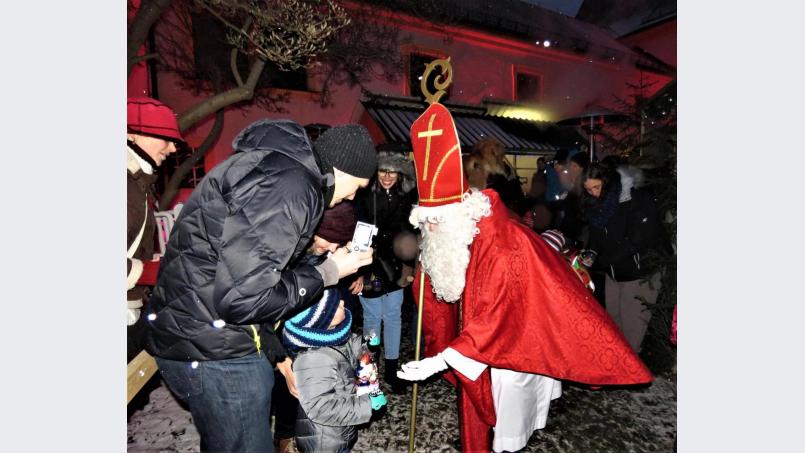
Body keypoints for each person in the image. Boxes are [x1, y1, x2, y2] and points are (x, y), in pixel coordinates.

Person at [397, 104, 653, 453]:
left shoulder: (503, 248)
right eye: (425, 223)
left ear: (459, 214)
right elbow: (444, 282)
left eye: (435, 222)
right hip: (481, 346)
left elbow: (496, 319)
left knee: (508, 425)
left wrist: (439, 360)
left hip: (517, 349)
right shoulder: (454, 234)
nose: (430, 230)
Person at [144, 121, 377, 453]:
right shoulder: (293, 186)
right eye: (357, 186)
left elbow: (248, 273)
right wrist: (330, 271)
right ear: (342, 168)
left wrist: (276, 354)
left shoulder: (277, 169)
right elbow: (244, 298)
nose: (353, 196)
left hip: (205, 339)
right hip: (217, 352)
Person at [267, 201, 363, 453]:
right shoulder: (285, 248)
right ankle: (286, 435)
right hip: (286, 320)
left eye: (339, 242)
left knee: (326, 374)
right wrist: (281, 359)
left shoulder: (325, 248)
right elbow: (262, 307)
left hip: (322, 312)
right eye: (329, 239)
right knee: (291, 383)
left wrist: (355, 269)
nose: (331, 247)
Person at [281, 289, 388, 452]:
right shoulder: (312, 359)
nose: (343, 303)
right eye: (336, 305)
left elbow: (350, 348)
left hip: (340, 427)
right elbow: (321, 407)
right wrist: (367, 405)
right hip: (324, 440)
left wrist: (367, 346)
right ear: (322, 319)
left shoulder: (334, 336)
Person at [581, 162, 663, 352]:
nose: (593, 193)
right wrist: (591, 253)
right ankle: (619, 372)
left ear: (607, 183)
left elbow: (639, 238)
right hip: (614, 273)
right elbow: (596, 236)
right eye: (588, 189)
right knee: (615, 329)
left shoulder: (633, 199)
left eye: (596, 187)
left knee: (631, 335)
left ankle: (630, 377)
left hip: (639, 273)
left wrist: (605, 260)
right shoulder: (596, 205)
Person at [355, 151, 417, 393]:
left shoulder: (406, 197)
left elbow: (410, 234)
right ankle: (370, 374)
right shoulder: (364, 196)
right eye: (383, 170)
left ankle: (391, 370)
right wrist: (358, 270)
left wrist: (409, 265)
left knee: (392, 318)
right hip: (371, 266)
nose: (388, 176)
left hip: (396, 267)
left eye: (392, 171)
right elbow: (357, 231)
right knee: (372, 318)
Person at [127, 97, 182, 363]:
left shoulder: (138, 181)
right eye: (165, 138)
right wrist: (154, 273)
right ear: (131, 134)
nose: (172, 148)